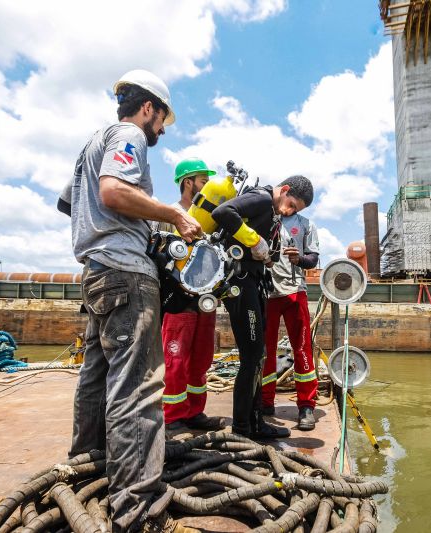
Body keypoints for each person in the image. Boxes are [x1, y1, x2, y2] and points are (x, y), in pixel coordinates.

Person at [65, 69, 200, 533]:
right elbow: (114, 191)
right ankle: (137, 510)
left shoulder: (91, 144)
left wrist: (134, 223)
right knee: (138, 390)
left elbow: (72, 202)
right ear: (149, 109)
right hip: (126, 276)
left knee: (96, 377)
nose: (161, 130)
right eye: (162, 120)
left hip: (97, 272)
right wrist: (171, 213)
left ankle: (85, 467)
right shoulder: (128, 134)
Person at [212, 175, 314, 440]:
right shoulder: (261, 198)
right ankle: (242, 429)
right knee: (251, 357)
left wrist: (268, 255)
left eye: (296, 211)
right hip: (240, 283)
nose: (289, 211)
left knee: (258, 356)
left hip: (254, 282)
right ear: (285, 190)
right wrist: (253, 241)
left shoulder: (272, 214)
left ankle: (257, 422)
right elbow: (223, 212)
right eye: (291, 204)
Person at [157, 158, 224, 431]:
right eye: (203, 182)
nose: (207, 188)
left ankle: (195, 411)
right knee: (175, 358)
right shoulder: (169, 214)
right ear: (188, 182)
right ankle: (172, 415)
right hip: (178, 299)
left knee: (201, 358)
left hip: (205, 299)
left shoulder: (211, 218)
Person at [261, 213, 320, 430]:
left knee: (302, 349)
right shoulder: (264, 219)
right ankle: (265, 401)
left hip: (295, 292)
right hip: (267, 293)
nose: (291, 208)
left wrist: (300, 259)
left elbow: (313, 259)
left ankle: (306, 405)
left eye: (298, 206)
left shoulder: (306, 224)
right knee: (266, 351)